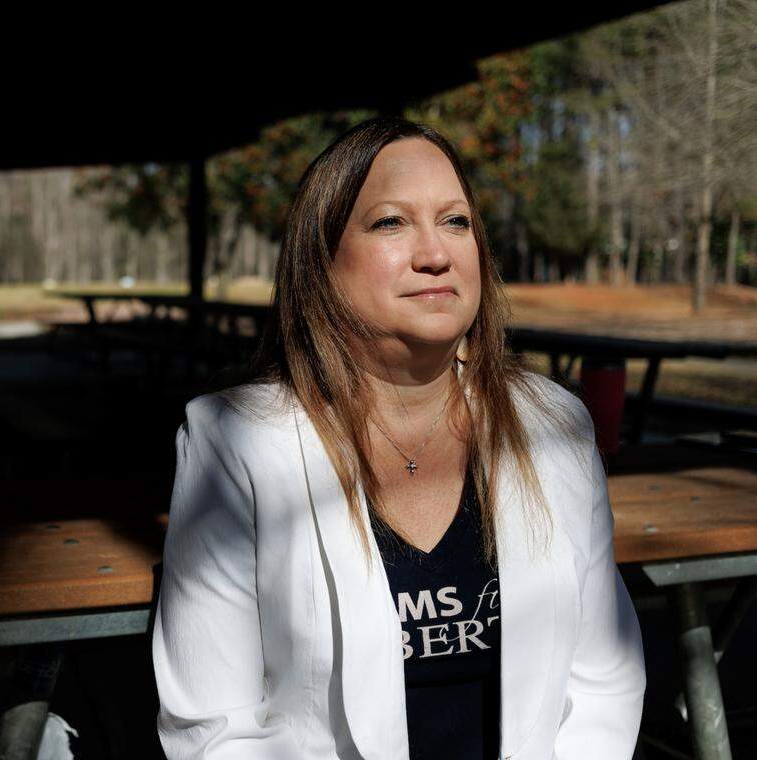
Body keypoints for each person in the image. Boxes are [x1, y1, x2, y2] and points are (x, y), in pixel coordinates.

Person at [151, 117, 646, 760]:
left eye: (456, 221)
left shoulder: (552, 425)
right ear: (320, 262)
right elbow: (214, 728)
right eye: (391, 222)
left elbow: (603, 679)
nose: (435, 253)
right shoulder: (238, 440)